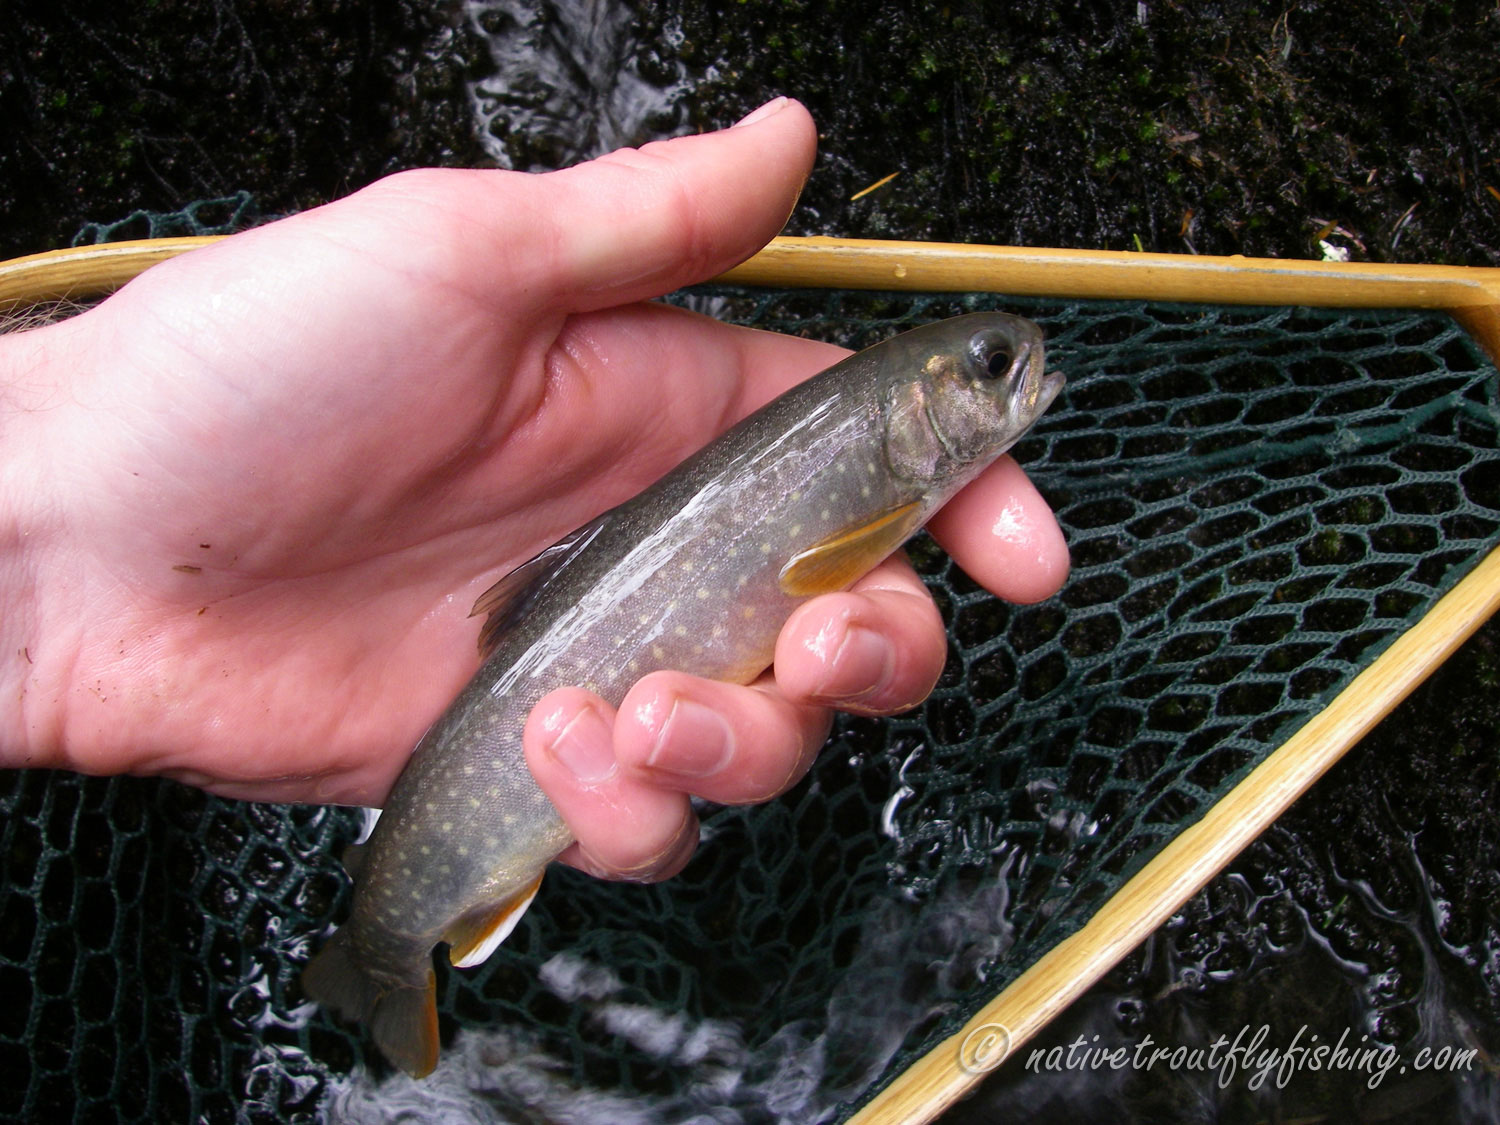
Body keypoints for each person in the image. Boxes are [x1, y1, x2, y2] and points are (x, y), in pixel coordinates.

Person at [0, 97, 1068, 884]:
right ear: (918, 407)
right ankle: (393, 941)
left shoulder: (889, 460)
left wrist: (53, 515)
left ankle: (409, 920)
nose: (1010, 367)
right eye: (986, 366)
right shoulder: (885, 471)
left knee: (659, 757)